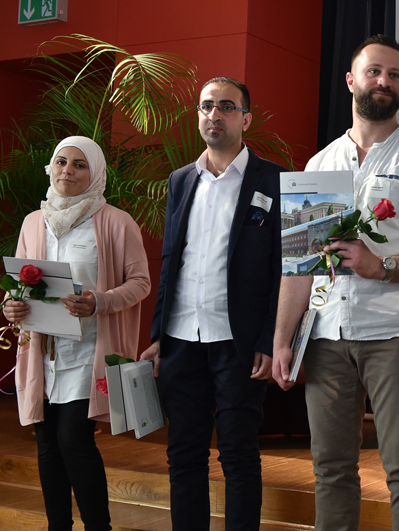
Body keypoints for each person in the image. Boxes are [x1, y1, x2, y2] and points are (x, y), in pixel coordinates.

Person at [271, 35, 399, 531]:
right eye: (374, 71)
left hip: (396, 332)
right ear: (351, 80)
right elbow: (299, 264)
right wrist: (282, 339)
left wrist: (383, 265)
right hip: (325, 335)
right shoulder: (319, 165)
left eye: (394, 75)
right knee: (330, 469)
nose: (383, 81)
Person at [141, 77, 283, 530]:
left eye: (226, 106)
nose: (214, 114)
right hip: (181, 337)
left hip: (238, 342)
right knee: (184, 454)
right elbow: (171, 260)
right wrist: (158, 336)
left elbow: (282, 270)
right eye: (206, 106)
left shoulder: (274, 180)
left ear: (246, 118)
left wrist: (269, 338)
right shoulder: (181, 180)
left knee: (238, 453)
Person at [8, 136, 151, 531]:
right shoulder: (33, 222)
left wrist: (98, 301)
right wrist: (10, 305)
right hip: (43, 352)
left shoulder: (116, 221)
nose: (67, 171)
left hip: (89, 351)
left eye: (79, 164)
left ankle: (98, 527)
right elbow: (18, 285)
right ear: (50, 168)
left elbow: (140, 283)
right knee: (47, 443)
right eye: (61, 162)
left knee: (74, 440)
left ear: (95, 173)